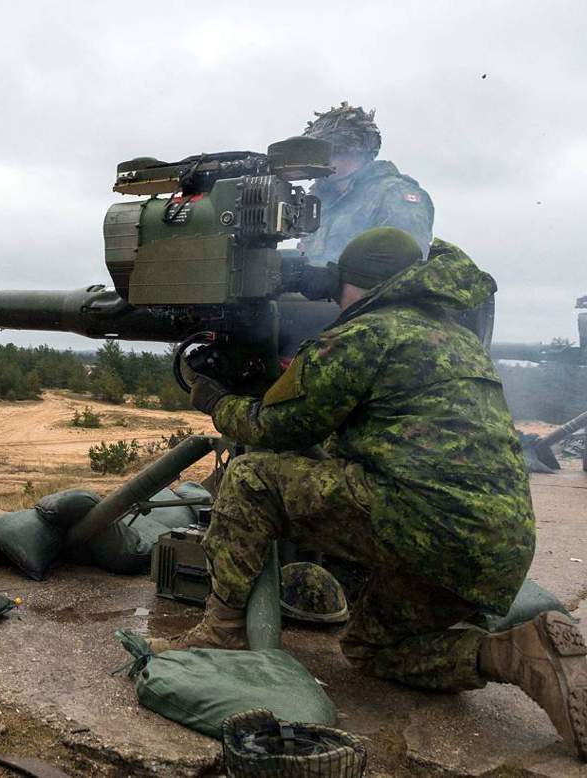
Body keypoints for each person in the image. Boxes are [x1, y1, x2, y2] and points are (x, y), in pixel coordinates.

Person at [147, 227, 587, 759]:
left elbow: (279, 427)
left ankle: (221, 630)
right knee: (374, 649)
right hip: (496, 546)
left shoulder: (366, 335)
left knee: (252, 478)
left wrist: (216, 400)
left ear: (355, 283)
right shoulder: (456, 337)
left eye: (339, 286)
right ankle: (517, 654)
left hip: (421, 521)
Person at [298, 103, 434, 266]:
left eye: (337, 151)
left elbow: (404, 270)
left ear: (360, 152)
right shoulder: (319, 202)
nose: (327, 160)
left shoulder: (393, 195)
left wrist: (336, 279)